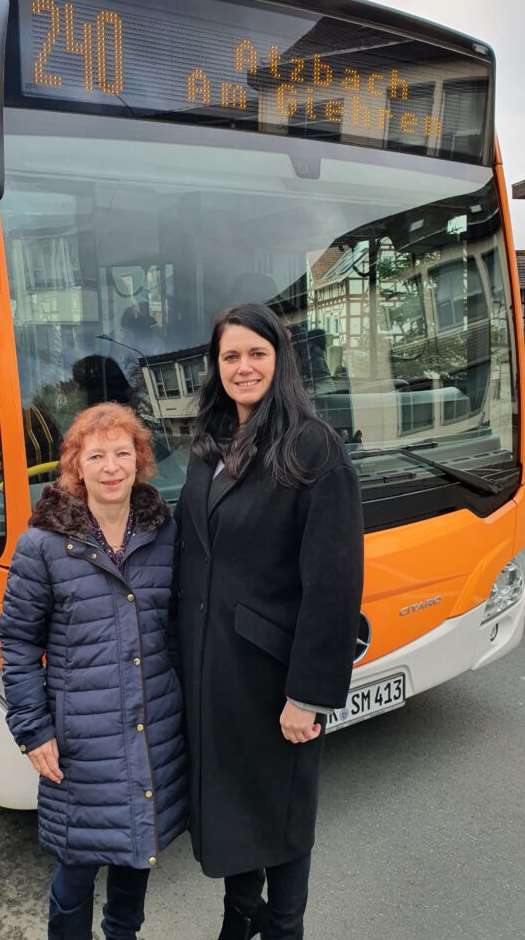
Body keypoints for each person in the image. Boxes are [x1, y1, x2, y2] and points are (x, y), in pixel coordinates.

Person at [175, 303, 364, 940]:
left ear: (279, 360)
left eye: (257, 353)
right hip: (214, 668)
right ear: (216, 366)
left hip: (273, 677)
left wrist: (307, 696)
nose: (243, 366)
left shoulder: (313, 446)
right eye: (231, 356)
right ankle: (239, 919)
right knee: (234, 804)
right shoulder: (209, 441)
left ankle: (284, 928)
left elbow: (333, 585)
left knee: (280, 815)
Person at [0, 402, 186, 940]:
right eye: (96, 455)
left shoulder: (163, 534)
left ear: (140, 461)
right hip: (83, 740)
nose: (111, 467)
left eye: (122, 453)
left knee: (136, 859)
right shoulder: (41, 546)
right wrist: (33, 730)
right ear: (75, 465)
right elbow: (18, 642)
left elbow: (176, 627)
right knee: (75, 873)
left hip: (152, 728)